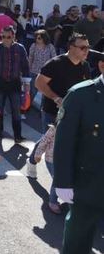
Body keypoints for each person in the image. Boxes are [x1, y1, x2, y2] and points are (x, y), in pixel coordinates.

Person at [53, 50, 104, 253]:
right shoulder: (81, 95)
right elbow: (64, 143)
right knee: (78, 240)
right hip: (88, 183)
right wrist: (63, 183)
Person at [27, 33, 91, 178]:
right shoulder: (55, 63)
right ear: (71, 47)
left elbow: (87, 88)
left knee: (55, 142)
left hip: (73, 113)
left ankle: (32, 160)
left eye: (88, 47)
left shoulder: (85, 66)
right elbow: (39, 83)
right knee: (51, 145)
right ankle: (57, 185)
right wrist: (56, 98)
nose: (86, 51)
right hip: (51, 111)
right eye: (82, 47)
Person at [0, 26, 31, 143]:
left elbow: (25, 67)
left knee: (16, 111)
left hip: (14, 84)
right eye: (3, 37)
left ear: (13, 37)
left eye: (8, 37)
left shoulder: (20, 49)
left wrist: (27, 88)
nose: (5, 39)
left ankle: (18, 136)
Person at [34, 124, 60, 214]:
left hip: (66, 161)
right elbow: (44, 141)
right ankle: (53, 201)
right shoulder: (54, 129)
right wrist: (38, 154)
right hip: (51, 160)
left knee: (61, 180)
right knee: (57, 180)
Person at [27, 29, 56, 105]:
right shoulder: (33, 46)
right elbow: (30, 58)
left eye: (39, 38)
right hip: (34, 71)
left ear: (44, 38)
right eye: (36, 37)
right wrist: (28, 69)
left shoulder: (50, 47)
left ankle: (43, 109)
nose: (37, 39)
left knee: (44, 92)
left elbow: (54, 58)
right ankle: (27, 106)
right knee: (32, 91)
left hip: (46, 73)